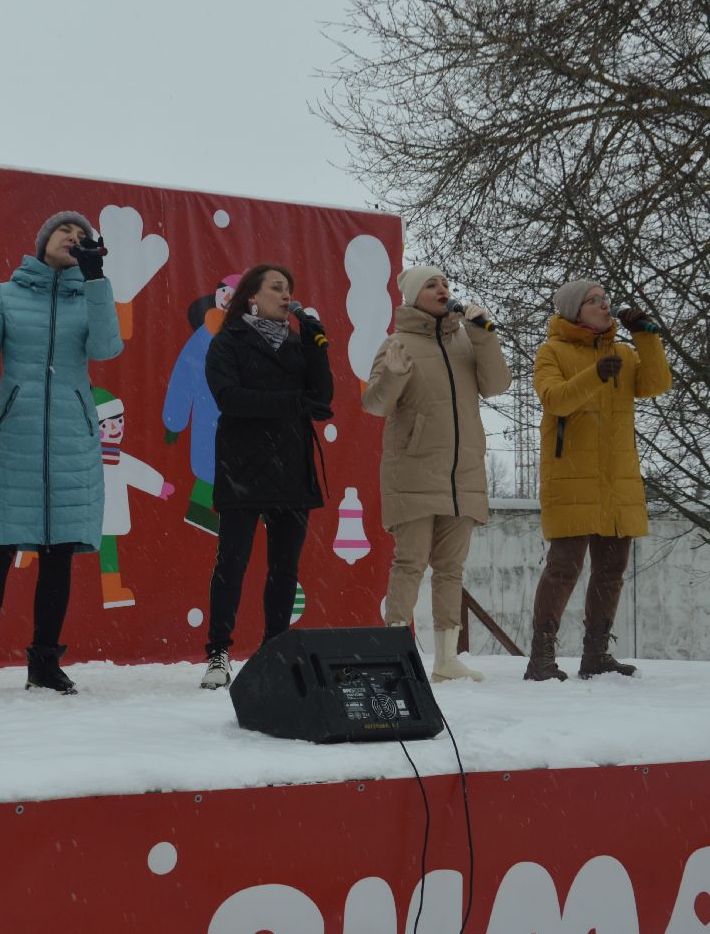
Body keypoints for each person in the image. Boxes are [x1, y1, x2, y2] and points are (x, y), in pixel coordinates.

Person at [0, 211, 124, 696]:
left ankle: (44, 663)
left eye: (82, 235)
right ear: (43, 241)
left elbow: (107, 348)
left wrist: (97, 279)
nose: (73, 238)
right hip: (15, 437)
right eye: (65, 231)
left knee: (58, 555)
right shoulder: (6, 294)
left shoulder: (91, 294)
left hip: (72, 439)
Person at [362, 265, 511, 683]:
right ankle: (395, 653)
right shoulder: (398, 343)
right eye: (431, 284)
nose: (442, 289)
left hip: (462, 473)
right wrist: (392, 375)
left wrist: (485, 334)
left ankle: (446, 660)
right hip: (413, 470)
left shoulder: (466, 340)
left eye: (444, 283)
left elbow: (498, 384)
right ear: (412, 296)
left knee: (451, 568)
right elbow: (374, 405)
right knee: (409, 562)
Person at [526, 278, 671, 680]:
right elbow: (554, 399)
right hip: (571, 476)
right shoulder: (551, 351)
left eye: (606, 299)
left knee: (611, 571)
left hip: (617, 478)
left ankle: (595, 654)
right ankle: (541, 657)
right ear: (574, 311)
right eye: (594, 301)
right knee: (564, 568)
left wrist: (646, 337)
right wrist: (594, 374)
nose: (604, 306)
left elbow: (656, 384)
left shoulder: (623, 352)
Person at [199, 263, 334, 689]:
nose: (285, 294)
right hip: (243, 466)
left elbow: (322, 397)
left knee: (284, 569)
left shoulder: (299, 342)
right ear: (252, 296)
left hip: (291, 468)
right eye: (276, 287)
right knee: (232, 564)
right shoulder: (229, 340)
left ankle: (276, 649)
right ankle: (218, 652)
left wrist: (316, 344)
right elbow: (230, 398)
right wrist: (292, 403)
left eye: (289, 288)